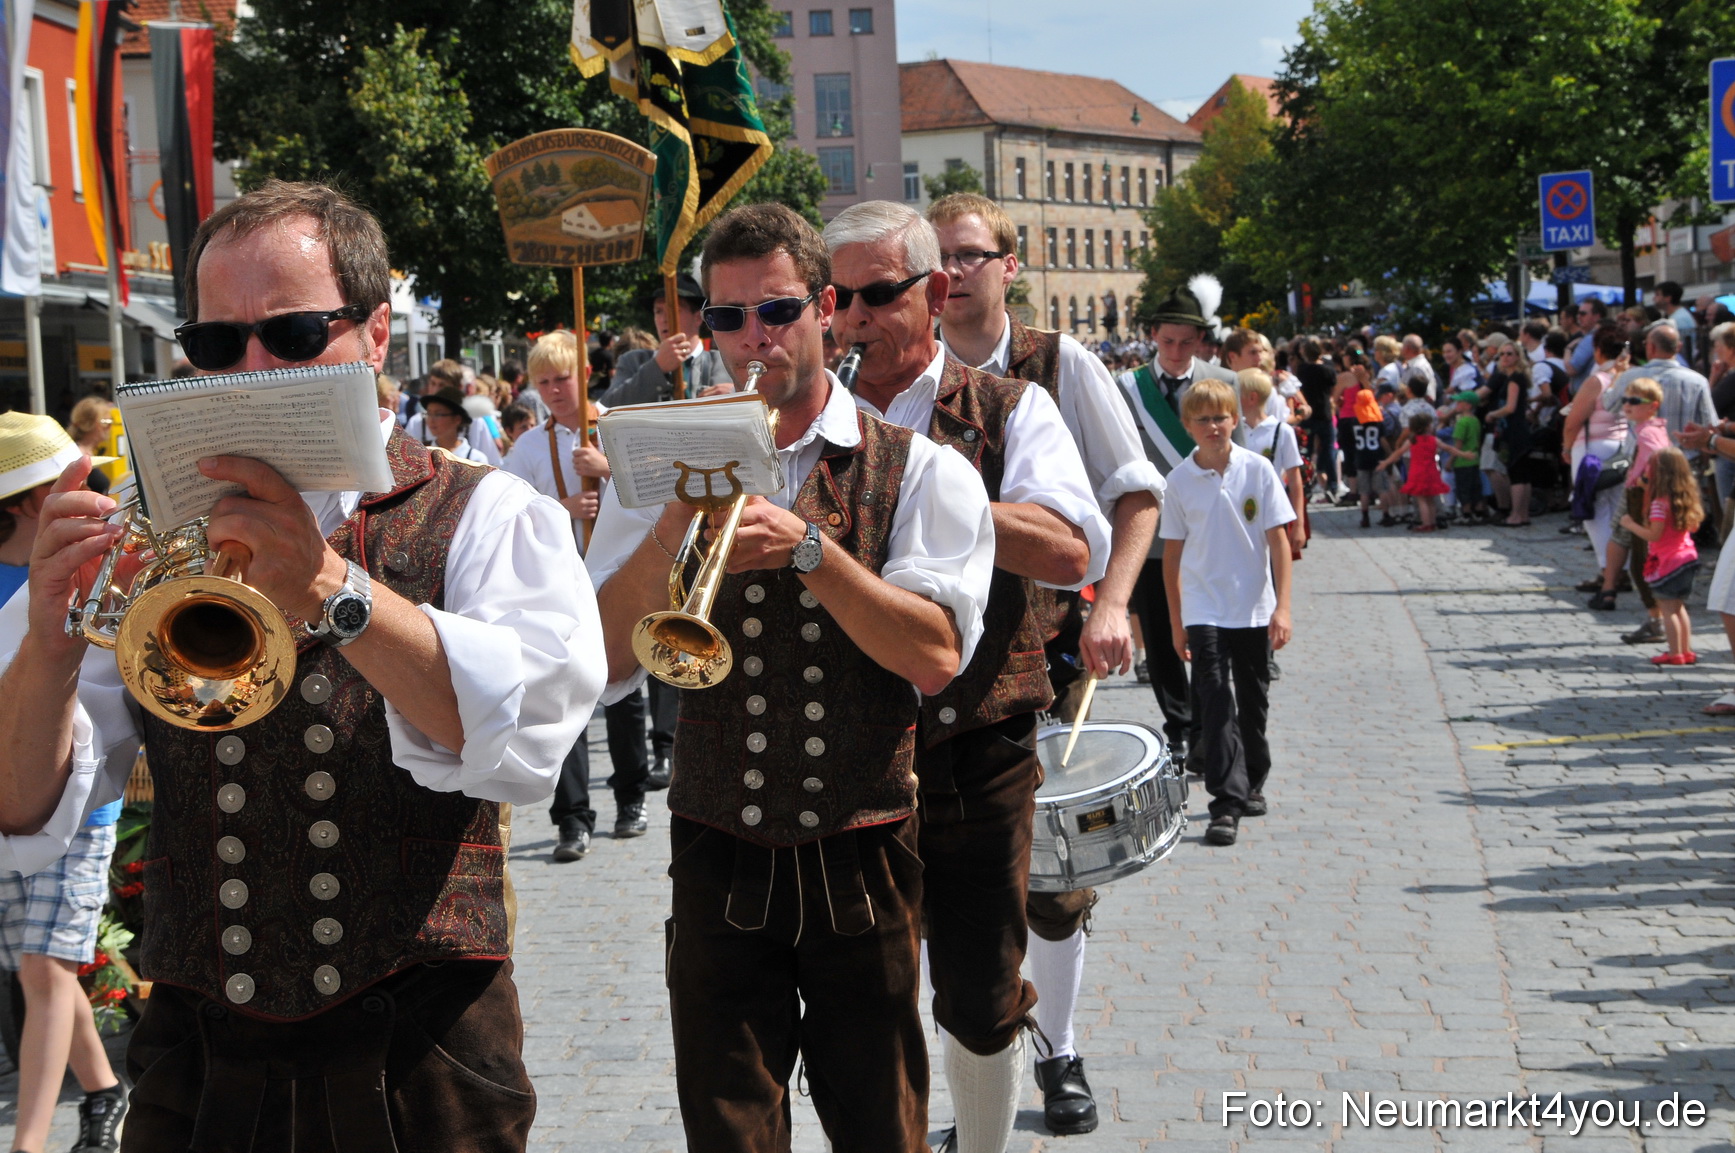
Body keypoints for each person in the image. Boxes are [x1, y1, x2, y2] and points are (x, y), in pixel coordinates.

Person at [0, 180, 603, 1150]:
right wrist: (47, 644)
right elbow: (22, 808)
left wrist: (330, 584)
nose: (246, 371)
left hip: (419, 1057)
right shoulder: (154, 535)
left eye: (287, 338)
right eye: (213, 345)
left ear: (371, 336)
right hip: (199, 1056)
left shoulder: (487, 515)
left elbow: (519, 748)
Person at [588, 201, 995, 1153]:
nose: (748, 340)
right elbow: (604, 659)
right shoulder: (651, 459)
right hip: (714, 842)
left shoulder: (920, 469)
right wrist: (667, 527)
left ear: (822, 307)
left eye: (772, 312)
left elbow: (936, 654)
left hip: (863, 846)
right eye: (723, 318)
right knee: (726, 1132)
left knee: (878, 1125)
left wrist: (815, 550)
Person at [825, 200, 1109, 1153]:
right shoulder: (809, 412)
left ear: (936, 290)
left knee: (981, 987)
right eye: (839, 298)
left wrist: (933, 491)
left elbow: (1072, 548)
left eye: (878, 293)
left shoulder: (1010, 405)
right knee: (862, 985)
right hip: (843, 739)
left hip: (977, 733)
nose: (855, 317)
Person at [926, 192, 1161, 1138]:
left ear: (1009, 265)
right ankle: (968, 1089)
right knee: (934, 887)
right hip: (930, 661)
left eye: (971, 255)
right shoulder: (897, 375)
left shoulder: (1061, 366)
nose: (953, 274)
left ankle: (1056, 1047)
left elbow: (1136, 494)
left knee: (1052, 879)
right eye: (936, 259)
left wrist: (1112, 603)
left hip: (1050, 653)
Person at [0, 413, 130, 1153]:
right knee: (36, 958)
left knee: (43, 962)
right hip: (7, 793)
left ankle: (27, 1143)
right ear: (27, 501)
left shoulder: (100, 558)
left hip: (88, 802)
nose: (88, 496)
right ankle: (105, 1093)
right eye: (62, 487)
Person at [502, 330, 649, 859]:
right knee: (562, 699)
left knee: (626, 693)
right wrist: (560, 504)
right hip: (559, 584)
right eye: (543, 383)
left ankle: (631, 796)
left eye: (562, 379)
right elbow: (507, 508)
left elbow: (658, 494)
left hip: (616, 577)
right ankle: (572, 817)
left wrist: (609, 470)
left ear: (584, 375)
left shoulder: (619, 429)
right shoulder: (527, 445)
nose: (553, 391)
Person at [1160, 377, 1294, 848]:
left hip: (1253, 605)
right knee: (1215, 704)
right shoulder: (1178, 481)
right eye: (1203, 419)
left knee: (1253, 706)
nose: (1214, 427)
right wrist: (1178, 623)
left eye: (1221, 417)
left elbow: (1278, 542)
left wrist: (1283, 607)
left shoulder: (1257, 471)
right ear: (1188, 426)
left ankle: (1253, 777)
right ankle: (1225, 803)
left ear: (1235, 419)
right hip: (1204, 606)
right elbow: (1172, 557)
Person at [1113, 284, 1238, 775]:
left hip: (1208, 536)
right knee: (1163, 640)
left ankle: (1211, 725)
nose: (1177, 352)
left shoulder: (1224, 381)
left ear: (1201, 341)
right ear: (1152, 338)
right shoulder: (1126, 389)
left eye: (1187, 342)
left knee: (1209, 634)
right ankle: (1181, 728)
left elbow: (1241, 461)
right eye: (1168, 342)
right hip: (1152, 536)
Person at [1592, 378, 1671, 640]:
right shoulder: (1646, 428)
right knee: (1640, 557)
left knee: (1642, 561)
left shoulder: (1648, 433)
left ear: (1653, 406)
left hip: (1643, 498)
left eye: (1635, 401)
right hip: (1640, 494)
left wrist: (1645, 485)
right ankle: (1657, 618)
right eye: (1625, 399)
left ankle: (1656, 619)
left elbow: (1658, 463)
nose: (1627, 405)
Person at [1564, 324, 1632, 595]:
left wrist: (1567, 448)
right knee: (1617, 511)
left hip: (1593, 449)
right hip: (1621, 448)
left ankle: (1608, 572)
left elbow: (1573, 421)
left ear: (1598, 350)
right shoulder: (1627, 377)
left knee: (1592, 512)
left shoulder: (1597, 381)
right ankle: (1621, 570)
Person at [1618, 446, 1701, 665]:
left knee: (1667, 610)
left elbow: (1654, 534)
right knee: (1679, 607)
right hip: (1687, 558)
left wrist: (1630, 525)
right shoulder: (1685, 500)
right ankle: (1686, 650)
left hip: (1667, 562)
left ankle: (1674, 653)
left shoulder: (1659, 504)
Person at [597, 274, 733, 406]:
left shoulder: (725, 363)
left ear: (698, 317)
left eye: (674, 310)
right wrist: (657, 368)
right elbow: (608, 407)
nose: (664, 319)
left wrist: (735, 394)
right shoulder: (633, 361)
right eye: (658, 311)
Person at [1240, 370, 1305, 559]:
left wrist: (1298, 523)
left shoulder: (1281, 431)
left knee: (1274, 561)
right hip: (1239, 507)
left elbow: (1295, 480)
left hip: (1272, 508)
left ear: (1252, 397)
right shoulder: (1236, 430)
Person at [1381, 412, 1450, 532]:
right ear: (1426, 427)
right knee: (1431, 500)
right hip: (1432, 472)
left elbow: (1399, 452)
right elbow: (1448, 448)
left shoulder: (1412, 441)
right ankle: (1432, 522)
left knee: (1421, 500)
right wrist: (1463, 454)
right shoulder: (1433, 439)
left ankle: (1425, 523)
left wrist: (1386, 462)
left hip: (1417, 473)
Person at [1442, 392, 1488, 521]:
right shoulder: (1475, 420)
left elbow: (1457, 445)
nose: (1456, 405)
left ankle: (1466, 514)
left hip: (1462, 461)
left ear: (1468, 405)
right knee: (1475, 487)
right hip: (1474, 459)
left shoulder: (1462, 423)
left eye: (1459, 402)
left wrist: (1450, 461)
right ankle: (1479, 512)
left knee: (1463, 488)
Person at [418, 386, 490, 462]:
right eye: (429, 414)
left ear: (457, 419)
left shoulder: (475, 459)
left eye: (438, 414)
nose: (431, 420)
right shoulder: (421, 455)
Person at [66, 398, 117, 496]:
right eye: (106, 422)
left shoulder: (86, 452)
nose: (110, 427)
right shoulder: (77, 455)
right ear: (89, 424)